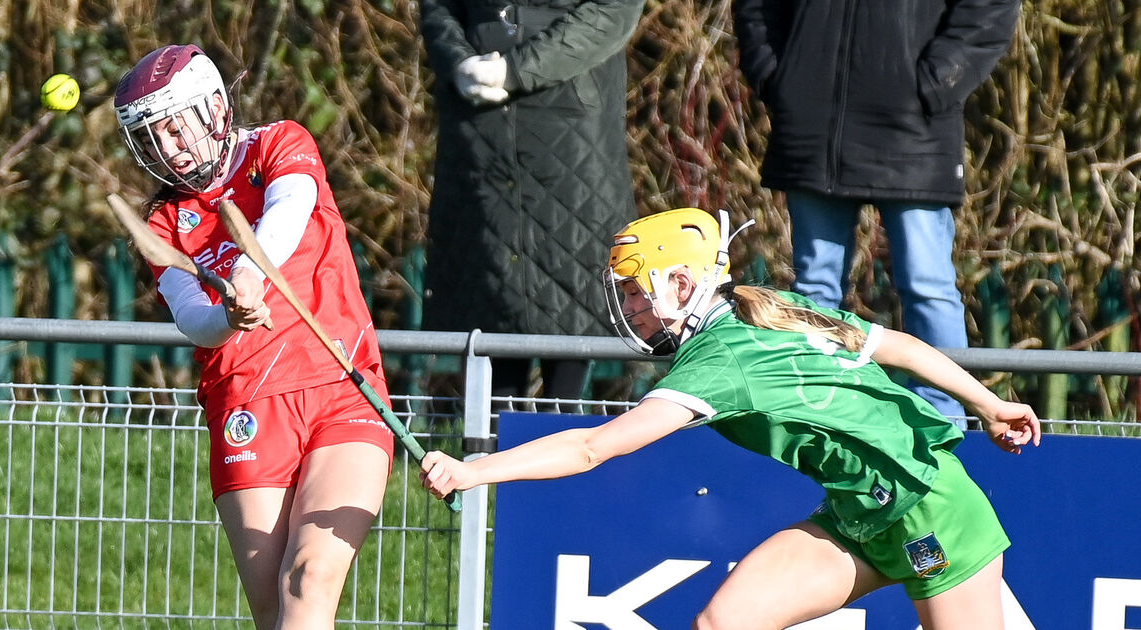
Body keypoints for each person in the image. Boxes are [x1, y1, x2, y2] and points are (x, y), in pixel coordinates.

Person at [421, 208, 1040, 629]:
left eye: (636, 291)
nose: (629, 308)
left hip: (929, 511)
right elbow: (898, 346)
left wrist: (475, 470)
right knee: (725, 622)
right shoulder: (764, 306)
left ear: (681, 284)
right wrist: (990, 404)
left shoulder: (721, 361)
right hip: (860, 519)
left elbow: (591, 448)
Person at [114, 44, 394, 630]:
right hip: (245, 404)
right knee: (275, 611)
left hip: (341, 387)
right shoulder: (164, 222)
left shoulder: (278, 143)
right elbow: (191, 316)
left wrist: (248, 271)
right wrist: (229, 318)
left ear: (215, 107)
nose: (168, 147)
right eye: (152, 138)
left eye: (174, 128)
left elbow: (290, 207)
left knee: (310, 578)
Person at [731, 0, 1022, 423]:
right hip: (813, 129)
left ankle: (945, 422)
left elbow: (988, 10)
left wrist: (935, 83)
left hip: (913, 131)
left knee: (926, 286)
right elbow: (756, 8)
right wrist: (780, 78)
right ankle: (818, 414)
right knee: (815, 288)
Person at [418, 0, 645, 403]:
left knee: (573, 279)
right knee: (489, 289)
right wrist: (459, 62)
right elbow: (439, 8)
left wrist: (517, 69)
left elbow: (614, 10)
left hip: (571, 111)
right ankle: (493, 433)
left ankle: (563, 430)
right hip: (477, 116)